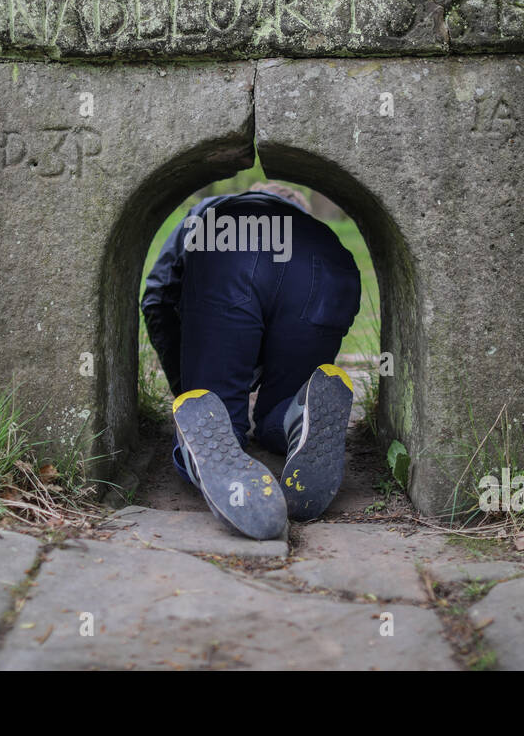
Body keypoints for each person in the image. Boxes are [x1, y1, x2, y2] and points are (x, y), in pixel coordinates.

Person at [141, 181, 361, 539]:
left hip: (230, 243)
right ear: (296, 204)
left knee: (220, 421)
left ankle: (215, 423)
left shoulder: (214, 205)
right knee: (280, 414)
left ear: (255, 191)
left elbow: (157, 296)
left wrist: (190, 390)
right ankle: (297, 412)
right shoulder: (310, 224)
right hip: (327, 262)